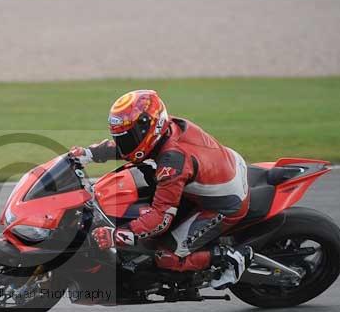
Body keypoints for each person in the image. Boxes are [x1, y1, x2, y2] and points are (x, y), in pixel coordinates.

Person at [69, 89, 253, 289]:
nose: (123, 142)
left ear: (150, 128)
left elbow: (160, 219)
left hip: (225, 202)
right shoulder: (164, 128)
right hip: (219, 169)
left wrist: (116, 235)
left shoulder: (172, 162)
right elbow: (131, 148)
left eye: (128, 137)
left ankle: (230, 257)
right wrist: (89, 153)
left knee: (166, 256)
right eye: (121, 137)